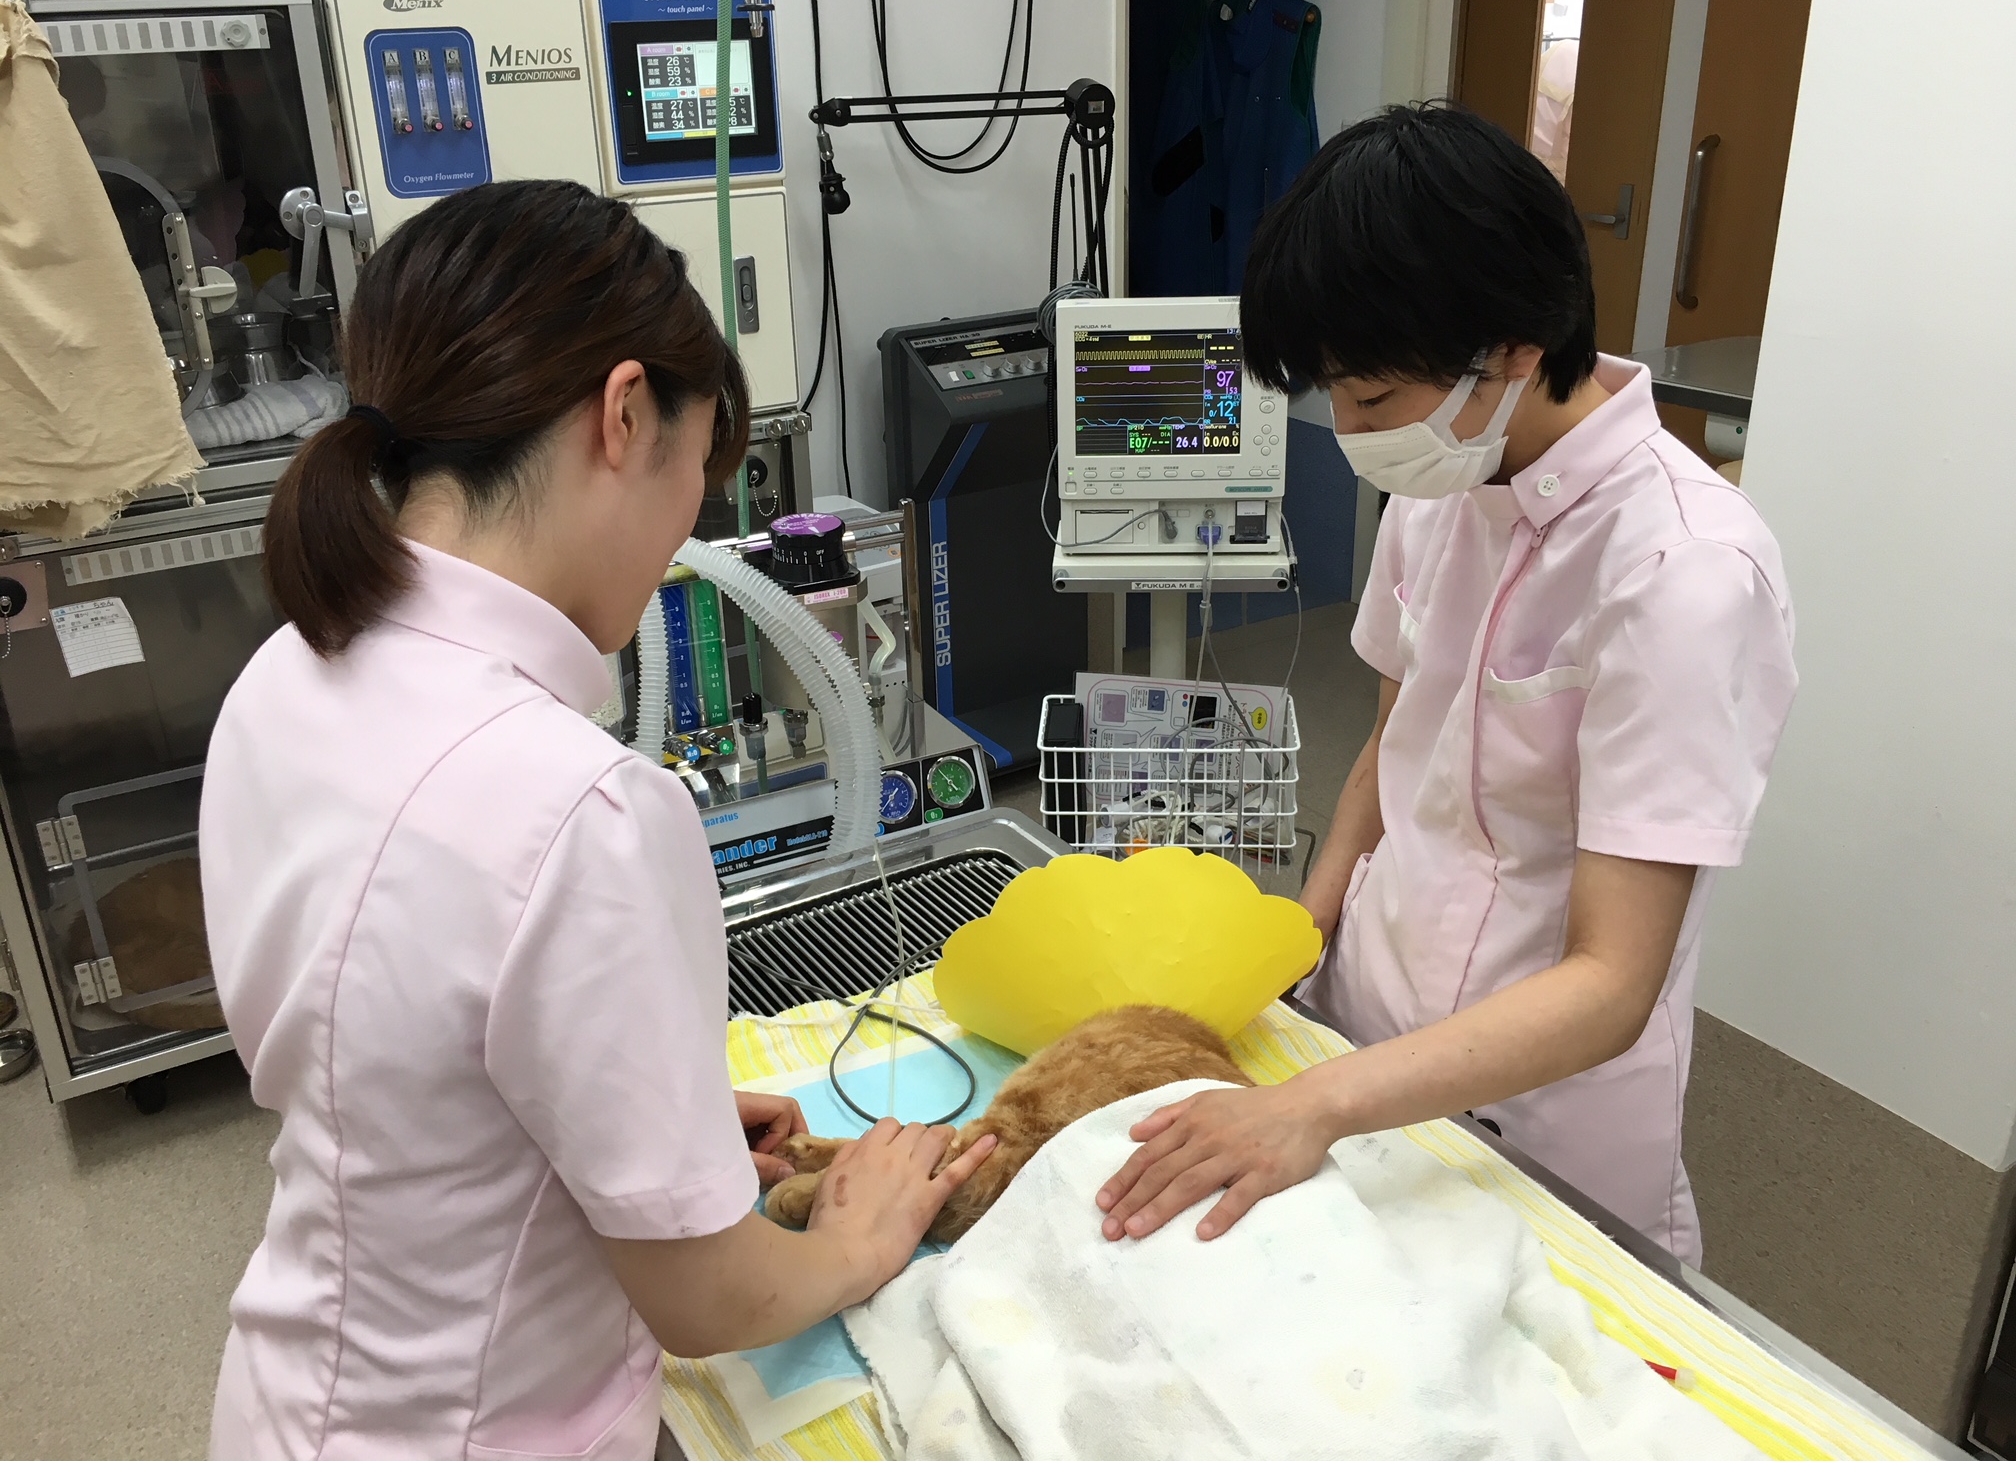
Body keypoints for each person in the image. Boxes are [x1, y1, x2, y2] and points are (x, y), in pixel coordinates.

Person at [200, 179, 994, 1460]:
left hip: (294, 1397)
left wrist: (654, 1125)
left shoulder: (285, 675)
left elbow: (386, 1063)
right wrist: (857, 1242)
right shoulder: (580, 805)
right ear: (627, 414)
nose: (691, 524)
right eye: (697, 468)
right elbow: (706, 1301)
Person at [1095, 103, 1795, 1266]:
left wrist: (1314, 1105)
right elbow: (1392, 747)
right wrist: (1296, 937)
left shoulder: (1684, 572)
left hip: (1541, 1119)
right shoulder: (1442, 488)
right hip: (1356, 1033)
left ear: (1515, 348)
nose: (1350, 432)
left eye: (1372, 401)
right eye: (1333, 396)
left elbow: (1612, 982)